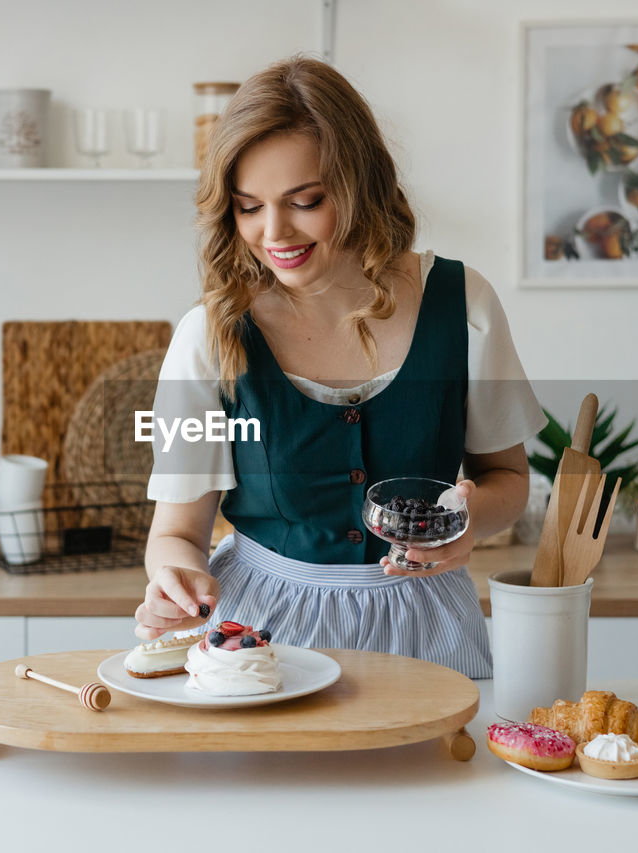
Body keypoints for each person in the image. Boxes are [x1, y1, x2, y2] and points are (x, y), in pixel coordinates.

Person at [135, 56, 544, 678]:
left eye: (305, 201)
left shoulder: (464, 305)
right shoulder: (209, 337)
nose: (274, 232)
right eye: (248, 207)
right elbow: (177, 534)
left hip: (424, 623)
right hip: (258, 638)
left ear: (360, 187)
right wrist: (175, 578)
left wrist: (469, 524)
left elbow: (507, 478)